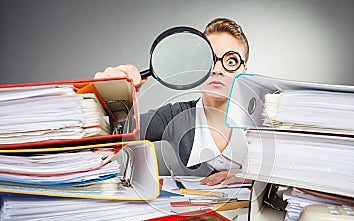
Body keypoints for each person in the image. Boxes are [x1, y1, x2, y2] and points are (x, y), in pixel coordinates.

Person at [95, 18, 251, 186]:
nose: (217, 70)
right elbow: (109, 135)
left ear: (244, 71)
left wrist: (256, 177)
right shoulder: (174, 116)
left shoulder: (267, 118)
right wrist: (106, 98)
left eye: (231, 61)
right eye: (210, 60)